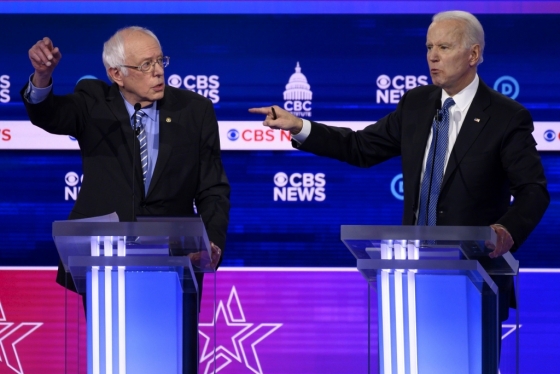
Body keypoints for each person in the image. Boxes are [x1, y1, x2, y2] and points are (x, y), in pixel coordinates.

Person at [250, 8, 549, 354]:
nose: (433, 57)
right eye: (428, 47)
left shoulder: (506, 116)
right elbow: (360, 147)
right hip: (411, 275)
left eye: (445, 48)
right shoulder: (417, 105)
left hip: (476, 277)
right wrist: (301, 126)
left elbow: (533, 192)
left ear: (474, 54)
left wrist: (504, 232)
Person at [22, 26, 230, 373]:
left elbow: (212, 188)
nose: (158, 71)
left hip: (178, 261)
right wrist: (42, 77)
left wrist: (212, 242)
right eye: (145, 65)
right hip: (105, 261)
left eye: (160, 60)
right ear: (116, 74)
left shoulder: (195, 111)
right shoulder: (92, 103)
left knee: (175, 359)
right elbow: (48, 114)